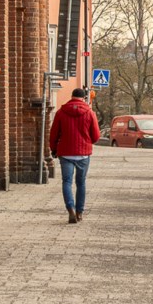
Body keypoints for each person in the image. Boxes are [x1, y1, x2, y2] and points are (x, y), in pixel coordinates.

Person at [49, 85, 102, 224]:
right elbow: (96, 136)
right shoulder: (90, 113)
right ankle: (79, 212)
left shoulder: (61, 112)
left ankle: (70, 208)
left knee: (66, 182)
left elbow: (53, 133)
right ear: (84, 98)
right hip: (83, 154)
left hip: (65, 153)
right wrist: (88, 141)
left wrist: (53, 148)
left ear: (71, 97)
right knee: (81, 183)